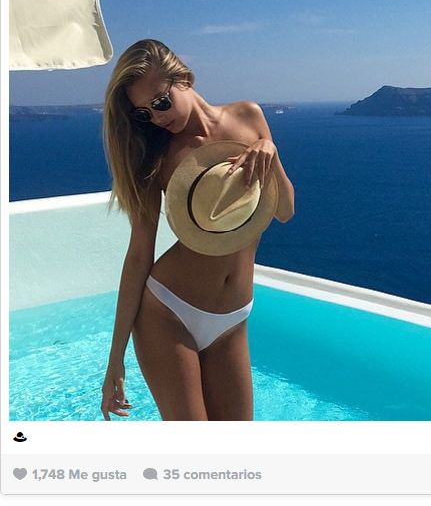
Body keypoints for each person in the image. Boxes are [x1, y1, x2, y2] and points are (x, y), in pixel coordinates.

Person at [100, 39, 295, 420]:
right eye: (144, 113)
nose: (157, 118)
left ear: (185, 79)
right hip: (168, 312)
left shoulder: (249, 116)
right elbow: (139, 254)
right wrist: (115, 358)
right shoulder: (156, 156)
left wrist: (269, 151)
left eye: (161, 102)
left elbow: (285, 211)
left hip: (233, 317)